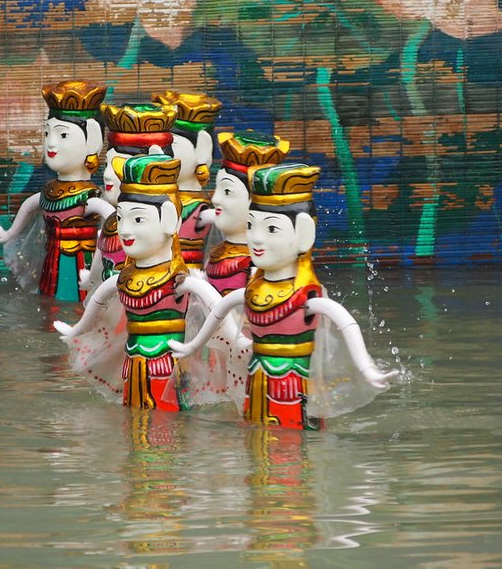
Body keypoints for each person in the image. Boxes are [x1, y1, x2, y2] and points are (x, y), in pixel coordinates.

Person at [170, 163, 398, 430]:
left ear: (303, 235)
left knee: (290, 446)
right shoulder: (253, 290)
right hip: (255, 385)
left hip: (292, 389)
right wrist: (192, 345)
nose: (256, 239)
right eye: (251, 226)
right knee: (255, 440)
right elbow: (218, 309)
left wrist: (366, 367)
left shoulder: (305, 298)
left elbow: (346, 323)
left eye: (271, 229)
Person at [54, 155, 241, 411]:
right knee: (133, 420)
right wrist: (76, 330)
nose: (124, 230)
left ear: (168, 219)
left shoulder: (179, 281)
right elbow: (98, 300)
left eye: (138, 219)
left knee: (166, 423)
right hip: (132, 363)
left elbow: (218, 308)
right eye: (121, 218)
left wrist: (204, 344)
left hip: (167, 368)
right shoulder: (125, 277)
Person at [0, 80, 105, 301]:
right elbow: (29, 205)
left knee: (82, 303)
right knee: (49, 303)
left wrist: (109, 238)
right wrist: (10, 233)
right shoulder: (50, 191)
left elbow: (111, 217)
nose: (51, 144)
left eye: (63, 135)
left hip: (84, 264)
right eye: (46, 134)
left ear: (93, 141)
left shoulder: (89, 196)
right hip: (51, 263)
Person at [78, 102, 176, 296]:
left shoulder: (161, 223)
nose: (107, 175)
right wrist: (91, 279)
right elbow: (101, 255)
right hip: (109, 298)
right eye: (107, 164)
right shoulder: (113, 221)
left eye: (118, 167)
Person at [204, 130, 290, 296]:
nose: (215, 199)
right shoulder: (218, 252)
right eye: (217, 188)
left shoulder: (258, 263)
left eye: (227, 191)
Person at [151, 91, 220, 269]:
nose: (159, 151)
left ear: (202, 149)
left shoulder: (197, 207)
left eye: (170, 144)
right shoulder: (159, 198)